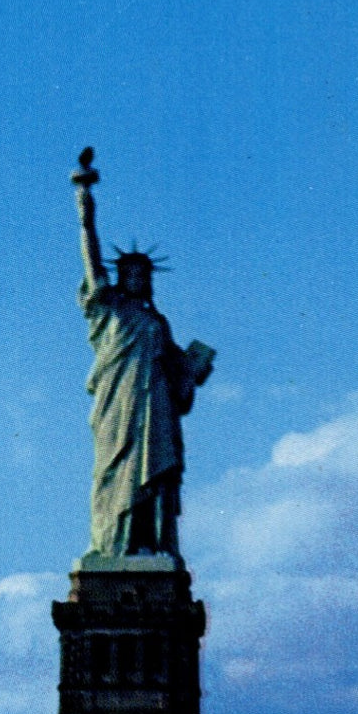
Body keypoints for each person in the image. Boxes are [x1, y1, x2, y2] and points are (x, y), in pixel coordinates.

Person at [72, 149, 214, 558]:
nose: (136, 278)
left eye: (143, 274)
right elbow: (91, 259)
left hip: (155, 406)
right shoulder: (108, 309)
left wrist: (194, 366)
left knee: (154, 470)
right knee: (116, 468)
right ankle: (114, 543)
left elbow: (181, 375)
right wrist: (84, 204)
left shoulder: (158, 323)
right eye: (129, 272)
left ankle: (149, 543)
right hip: (118, 404)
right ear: (121, 277)